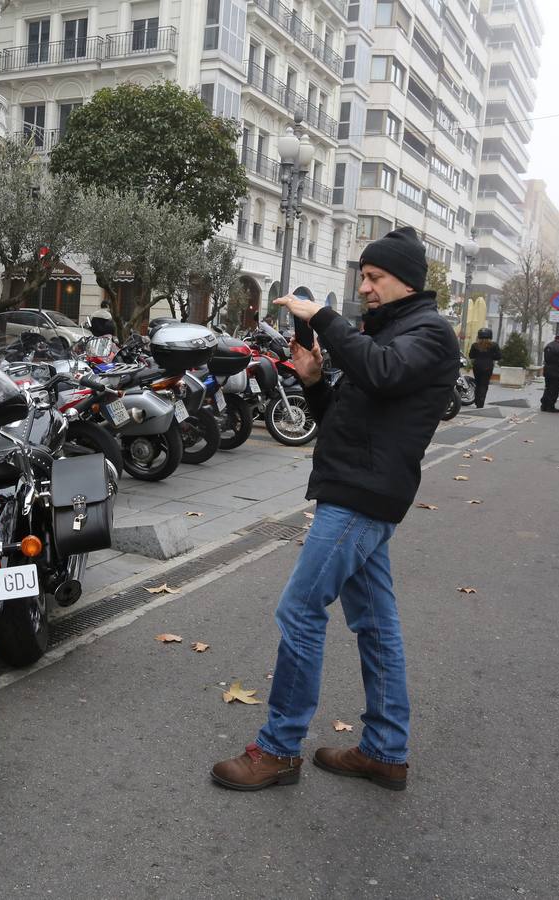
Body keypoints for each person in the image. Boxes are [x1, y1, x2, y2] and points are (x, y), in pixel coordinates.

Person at [210, 226, 458, 793]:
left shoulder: (430, 334)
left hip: (360, 499)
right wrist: (317, 383)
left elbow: (382, 373)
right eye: (362, 277)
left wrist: (323, 317)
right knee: (376, 626)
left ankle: (278, 749)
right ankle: (384, 751)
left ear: (407, 281)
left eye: (374, 278)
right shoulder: (390, 332)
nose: (365, 288)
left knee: (299, 611)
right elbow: (348, 416)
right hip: (355, 488)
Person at [467, 327, 500, 408]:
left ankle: (477, 400)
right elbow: (499, 356)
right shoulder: (494, 345)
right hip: (488, 367)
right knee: (484, 384)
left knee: (477, 383)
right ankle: (480, 403)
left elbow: (471, 355)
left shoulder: (475, 345)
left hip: (477, 366)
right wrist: (491, 357)